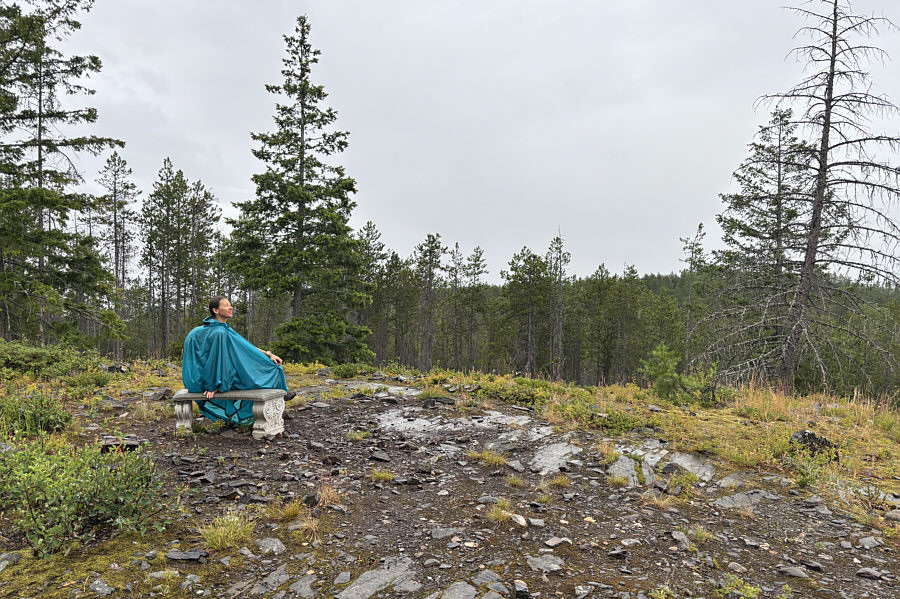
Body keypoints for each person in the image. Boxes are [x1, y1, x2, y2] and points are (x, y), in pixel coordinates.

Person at [182, 296, 294, 424]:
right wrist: (214, 385)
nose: (231, 308)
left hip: (212, 377)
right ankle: (268, 408)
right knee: (265, 372)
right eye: (226, 305)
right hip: (211, 379)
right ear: (215, 310)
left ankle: (277, 402)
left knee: (266, 368)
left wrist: (269, 354)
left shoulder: (223, 329)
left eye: (230, 305)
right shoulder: (220, 332)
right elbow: (215, 361)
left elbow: (245, 346)